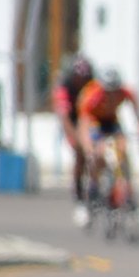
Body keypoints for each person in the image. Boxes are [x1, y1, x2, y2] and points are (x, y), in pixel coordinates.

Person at [75, 67, 139, 224]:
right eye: (108, 92)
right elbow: (84, 125)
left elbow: (136, 112)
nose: (112, 95)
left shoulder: (125, 93)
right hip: (95, 122)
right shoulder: (92, 96)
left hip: (112, 121)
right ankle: (93, 185)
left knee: (122, 150)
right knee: (98, 154)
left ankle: (127, 190)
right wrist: (88, 147)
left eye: (115, 91)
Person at [52, 53, 94, 224]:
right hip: (74, 121)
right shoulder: (64, 88)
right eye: (78, 78)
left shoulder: (93, 85)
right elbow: (64, 117)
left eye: (85, 78)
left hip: (90, 118)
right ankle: (79, 194)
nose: (81, 82)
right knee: (80, 154)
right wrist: (76, 138)